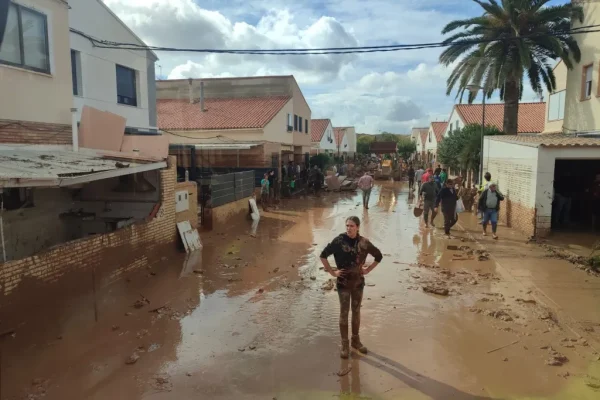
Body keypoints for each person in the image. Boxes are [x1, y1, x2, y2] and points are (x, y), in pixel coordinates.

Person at [320, 216, 383, 359]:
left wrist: (368, 270)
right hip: (343, 284)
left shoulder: (364, 243)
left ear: (358, 227)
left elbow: (379, 256)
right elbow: (323, 256)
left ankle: (356, 340)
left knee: (356, 312)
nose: (349, 228)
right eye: (347, 225)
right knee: (344, 313)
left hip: (358, 284)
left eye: (352, 226)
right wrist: (332, 272)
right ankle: (344, 344)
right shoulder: (339, 241)